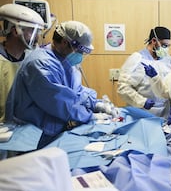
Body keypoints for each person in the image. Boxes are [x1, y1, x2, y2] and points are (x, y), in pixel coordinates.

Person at [5, 20, 118, 149]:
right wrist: (89, 116)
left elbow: (76, 91)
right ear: (65, 42)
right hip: (34, 134)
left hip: (50, 129)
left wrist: (96, 103)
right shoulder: (41, 64)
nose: (80, 55)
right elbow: (61, 102)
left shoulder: (63, 61)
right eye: (79, 50)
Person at [0, 3, 45, 122]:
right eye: (33, 32)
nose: (36, 38)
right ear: (16, 31)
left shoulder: (33, 59)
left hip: (26, 127)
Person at [117, 26, 171, 118]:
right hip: (142, 112)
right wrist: (142, 102)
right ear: (154, 41)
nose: (166, 49)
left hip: (165, 113)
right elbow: (123, 87)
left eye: (168, 46)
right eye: (164, 45)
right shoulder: (137, 59)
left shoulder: (169, 61)